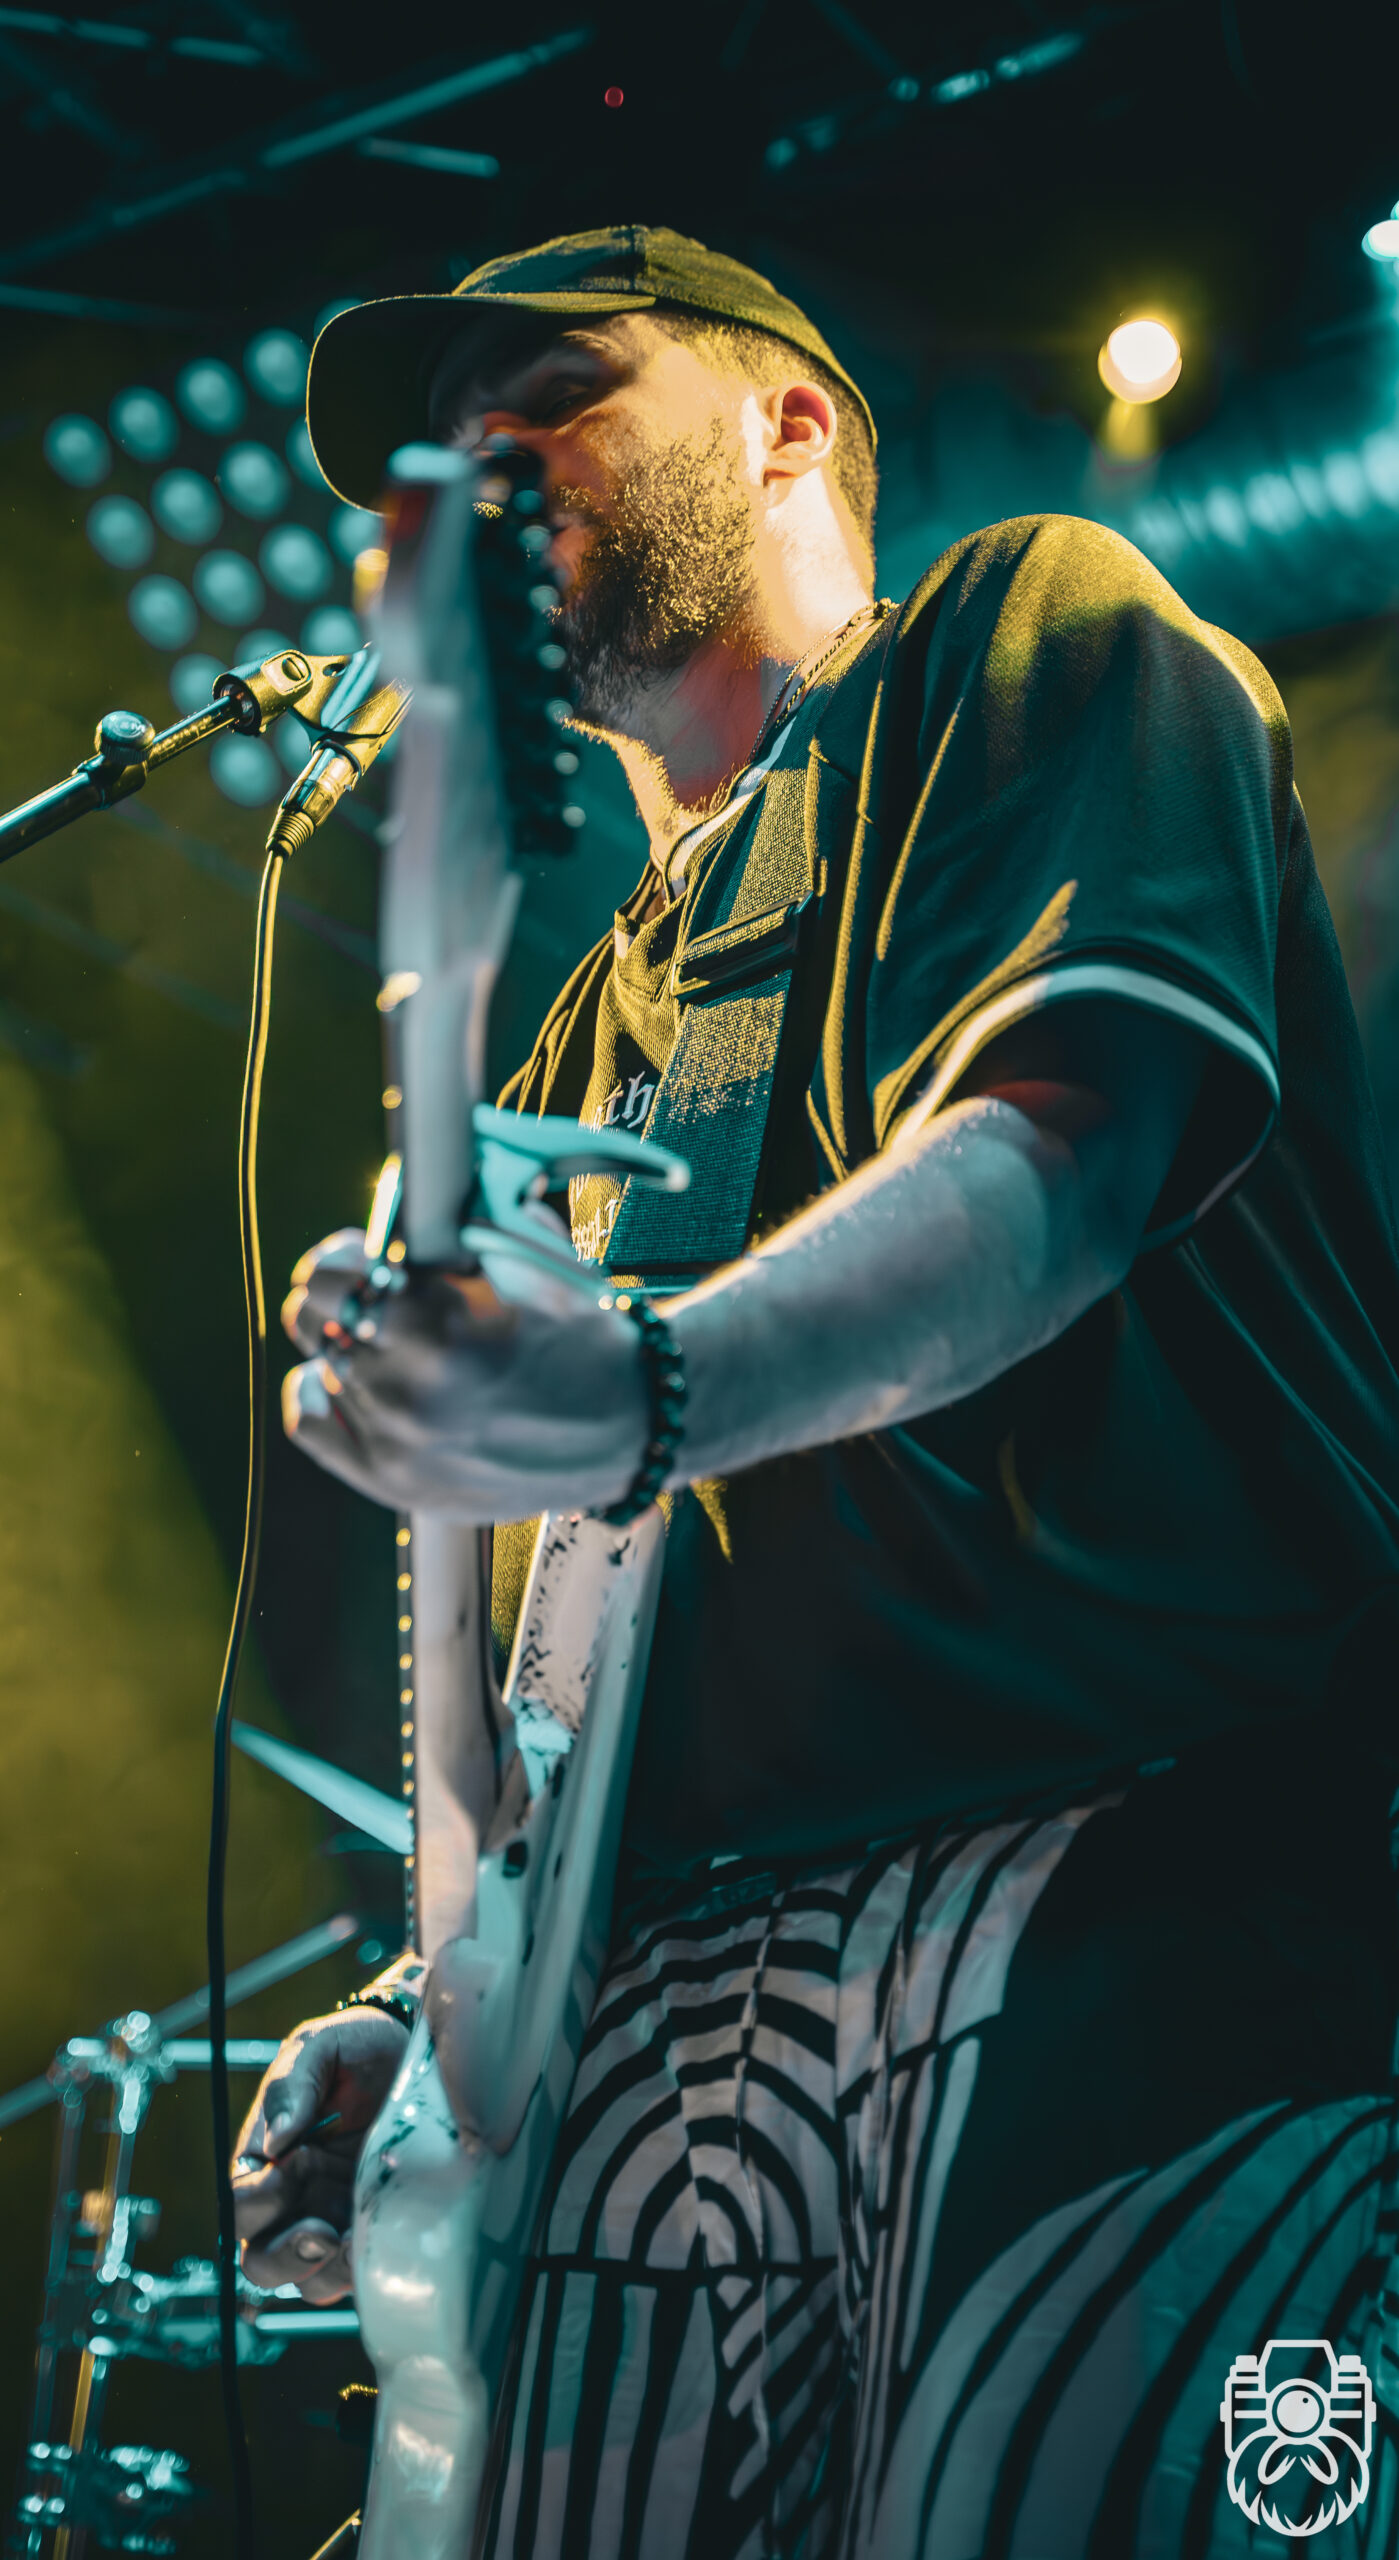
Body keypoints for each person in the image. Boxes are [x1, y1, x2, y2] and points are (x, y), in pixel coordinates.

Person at [232, 228, 1399, 2557]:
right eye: (454, 446)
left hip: (1118, 1906)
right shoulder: (579, 1026)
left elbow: (1066, 1157)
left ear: (787, 419)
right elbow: (590, 1639)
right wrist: (444, 1994)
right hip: (650, 2013)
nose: (490, 462)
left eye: (555, 393)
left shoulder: (1030, 633)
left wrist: (645, 1385)